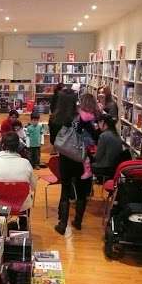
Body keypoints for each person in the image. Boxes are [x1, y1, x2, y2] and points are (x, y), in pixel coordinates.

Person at [49, 89, 93, 236]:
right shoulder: (81, 117)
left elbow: (53, 141)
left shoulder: (54, 119)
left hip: (65, 159)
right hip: (80, 159)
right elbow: (90, 137)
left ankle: (62, 224)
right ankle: (78, 221)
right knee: (81, 191)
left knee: (65, 189)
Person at [0, 132, 36, 213]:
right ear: (18, 146)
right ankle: (23, 223)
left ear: (2, 145)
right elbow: (33, 186)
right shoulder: (26, 163)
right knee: (26, 199)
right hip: (21, 204)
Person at [92, 113, 123, 179]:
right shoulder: (116, 134)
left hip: (105, 167)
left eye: (99, 123)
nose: (98, 125)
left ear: (103, 122)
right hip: (115, 167)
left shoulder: (103, 136)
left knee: (85, 166)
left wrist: (90, 156)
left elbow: (98, 157)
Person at [78, 94, 101, 179]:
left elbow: (79, 130)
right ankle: (93, 173)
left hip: (85, 141)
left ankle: (88, 172)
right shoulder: (97, 114)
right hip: (95, 141)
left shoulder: (82, 115)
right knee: (92, 158)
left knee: (85, 158)